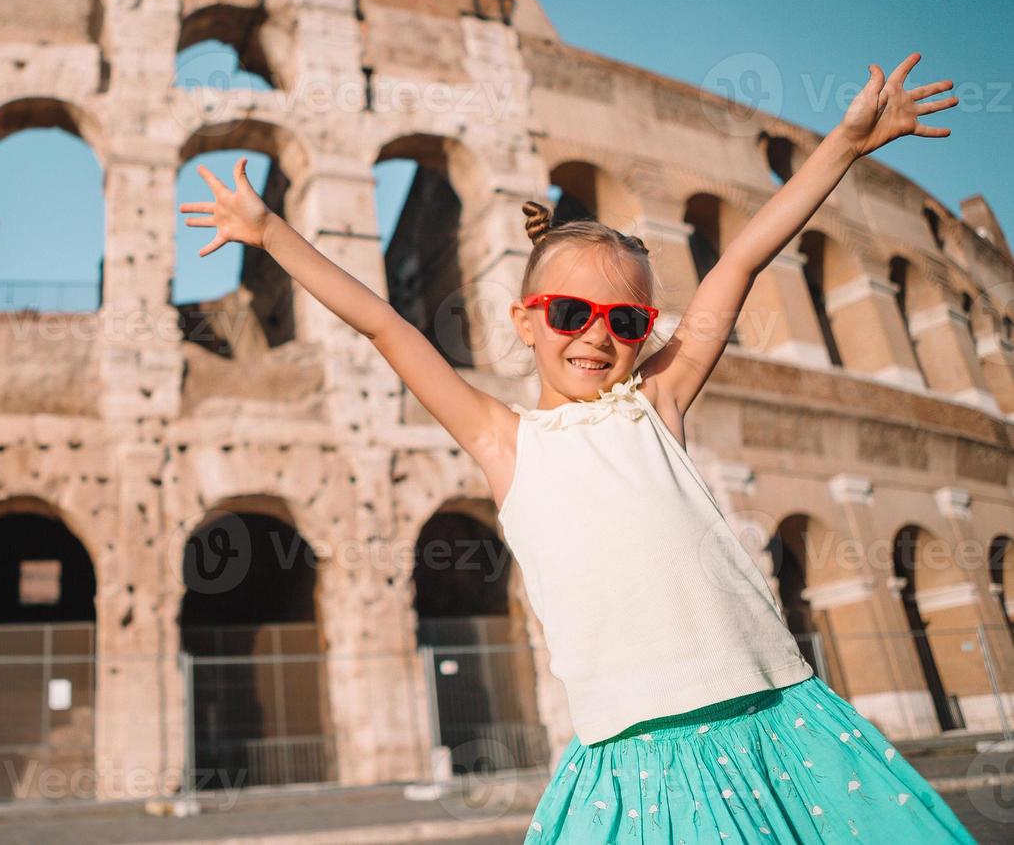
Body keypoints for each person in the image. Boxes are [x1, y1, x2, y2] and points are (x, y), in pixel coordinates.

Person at [182, 52, 980, 841]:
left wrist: (842, 147)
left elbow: (740, 258)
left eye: (625, 320)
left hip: (776, 715)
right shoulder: (504, 441)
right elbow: (384, 324)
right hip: (634, 758)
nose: (597, 334)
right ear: (525, 321)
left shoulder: (657, 404)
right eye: (570, 313)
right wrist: (271, 232)